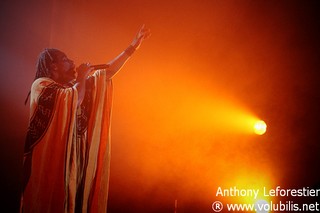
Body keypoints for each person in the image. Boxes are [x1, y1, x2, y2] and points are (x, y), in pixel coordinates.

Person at [21, 25, 150, 213]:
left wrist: (133, 46)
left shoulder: (74, 86)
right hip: (50, 166)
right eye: (65, 60)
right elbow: (74, 100)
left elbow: (107, 72)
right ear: (53, 66)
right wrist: (81, 76)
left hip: (73, 164)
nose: (72, 62)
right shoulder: (41, 85)